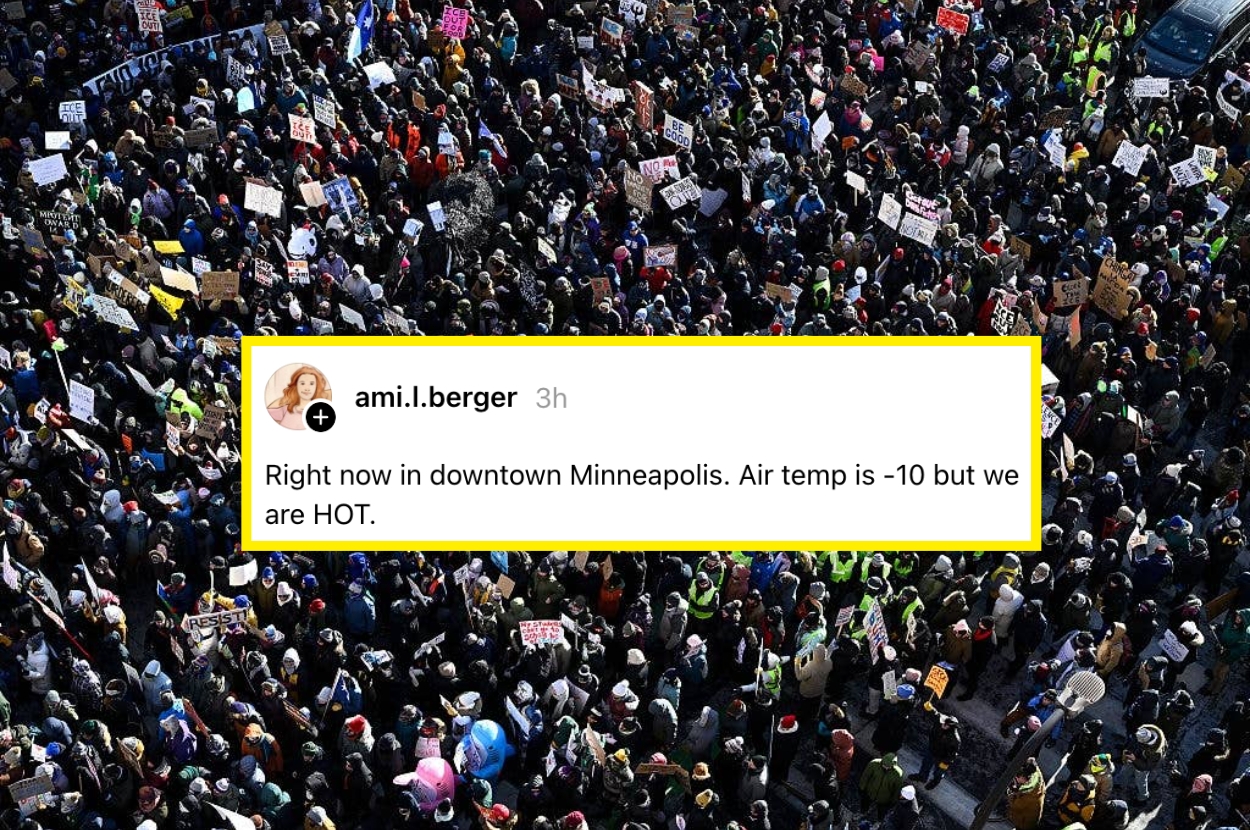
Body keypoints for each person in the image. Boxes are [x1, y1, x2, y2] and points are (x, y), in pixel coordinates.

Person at [267, 365, 332, 430]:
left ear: (316, 387)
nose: (307, 388)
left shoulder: (320, 412)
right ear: (296, 386)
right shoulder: (287, 409)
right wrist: (287, 398)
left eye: (311, 384)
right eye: (302, 383)